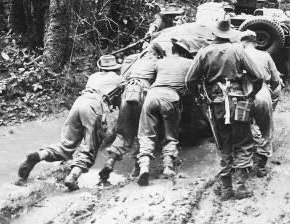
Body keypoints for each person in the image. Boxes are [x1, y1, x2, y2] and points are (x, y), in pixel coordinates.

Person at [185, 19, 264, 200]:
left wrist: (199, 97)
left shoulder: (204, 53)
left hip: (216, 104)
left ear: (214, 34)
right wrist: (251, 96)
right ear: (229, 34)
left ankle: (227, 188)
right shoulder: (237, 50)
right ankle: (241, 186)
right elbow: (258, 76)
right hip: (239, 101)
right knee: (244, 142)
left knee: (223, 144)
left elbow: (190, 80)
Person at [17, 55, 122, 191]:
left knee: (67, 144)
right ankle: (73, 177)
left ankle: (39, 155)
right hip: (94, 106)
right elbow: (118, 104)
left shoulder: (94, 76)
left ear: (101, 67)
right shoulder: (118, 79)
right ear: (115, 68)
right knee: (90, 147)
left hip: (79, 102)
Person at [135, 39, 195, 186]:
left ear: (173, 50)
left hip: (152, 96)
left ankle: (144, 166)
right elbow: (193, 84)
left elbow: (152, 74)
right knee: (170, 134)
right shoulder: (189, 64)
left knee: (146, 133)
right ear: (185, 53)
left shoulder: (161, 62)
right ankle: (168, 167)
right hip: (171, 98)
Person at [99, 47, 160, 183]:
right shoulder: (157, 63)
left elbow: (122, 81)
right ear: (157, 54)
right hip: (143, 95)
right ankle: (139, 169)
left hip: (127, 95)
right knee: (144, 133)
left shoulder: (135, 63)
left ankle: (110, 161)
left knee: (123, 134)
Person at [239, 30, 282, 177]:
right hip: (262, 93)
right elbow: (276, 80)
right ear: (255, 43)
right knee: (266, 128)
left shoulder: (237, 55)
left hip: (241, 96)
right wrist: (268, 92)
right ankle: (262, 166)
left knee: (241, 129)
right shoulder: (265, 55)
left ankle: (242, 167)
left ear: (243, 42)